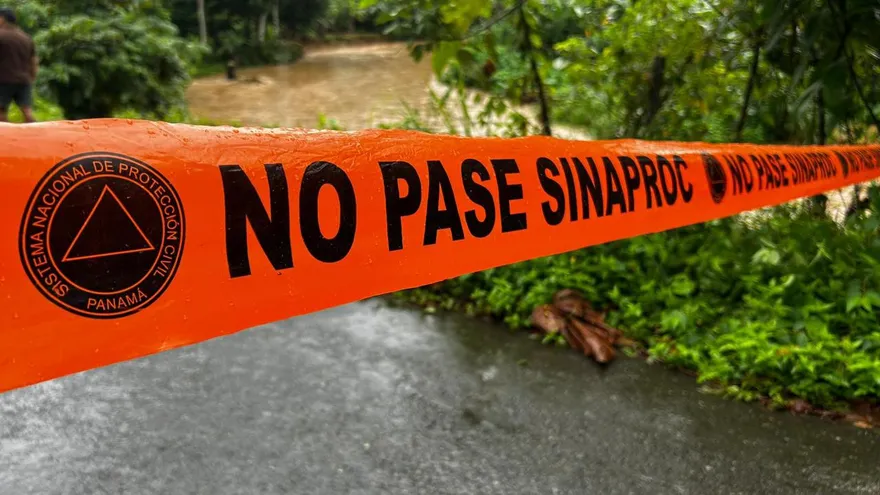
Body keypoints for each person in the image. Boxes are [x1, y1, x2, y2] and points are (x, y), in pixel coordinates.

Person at [0, 7, 37, 123]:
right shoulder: (26, 37)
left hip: (4, 79)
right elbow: (34, 61)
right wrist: (31, 77)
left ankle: (5, 138)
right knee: (27, 111)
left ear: (2, 19)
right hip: (24, 80)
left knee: (1, 112)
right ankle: (38, 134)